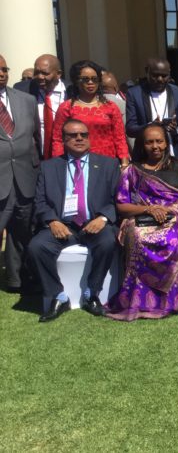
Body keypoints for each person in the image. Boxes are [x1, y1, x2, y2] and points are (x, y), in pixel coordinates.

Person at [105, 123, 178, 321]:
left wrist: (168, 210)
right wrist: (149, 209)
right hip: (142, 218)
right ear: (142, 145)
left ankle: (166, 301)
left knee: (171, 237)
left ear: (166, 143)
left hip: (176, 217)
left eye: (159, 141)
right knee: (136, 236)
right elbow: (122, 205)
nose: (155, 146)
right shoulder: (133, 170)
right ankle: (135, 300)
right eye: (149, 142)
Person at [28, 119, 121, 322]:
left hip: (94, 223)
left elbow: (119, 199)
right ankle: (58, 296)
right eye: (73, 135)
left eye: (83, 135)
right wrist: (52, 221)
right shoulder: (48, 167)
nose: (79, 138)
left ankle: (92, 293)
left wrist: (103, 218)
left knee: (107, 241)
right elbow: (40, 202)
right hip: (62, 225)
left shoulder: (109, 164)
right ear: (63, 140)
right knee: (37, 247)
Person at [0, 55, 41, 292]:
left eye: (5, 69)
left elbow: (36, 137)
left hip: (25, 176)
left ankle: (17, 279)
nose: (2, 74)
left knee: (22, 230)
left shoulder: (26, 100)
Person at [51, 60, 130, 169]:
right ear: (76, 81)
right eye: (85, 79)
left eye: (94, 79)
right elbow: (58, 140)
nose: (90, 82)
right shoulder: (66, 107)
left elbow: (120, 138)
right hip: (77, 163)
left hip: (107, 162)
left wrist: (124, 163)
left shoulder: (110, 107)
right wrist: (58, 165)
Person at [125, 58, 178, 156]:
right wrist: (150, 126)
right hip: (144, 156)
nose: (160, 79)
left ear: (169, 73)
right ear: (147, 71)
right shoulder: (134, 94)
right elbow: (130, 130)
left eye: (164, 76)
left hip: (173, 156)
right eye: (155, 75)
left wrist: (175, 130)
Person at [29, 54, 67, 160]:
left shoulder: (72, 91)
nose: (40, 77)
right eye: (36, 72)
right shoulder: (25, 90)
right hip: (36, 158)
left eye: (45, 73)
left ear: (58, 74)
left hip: (65, 156)